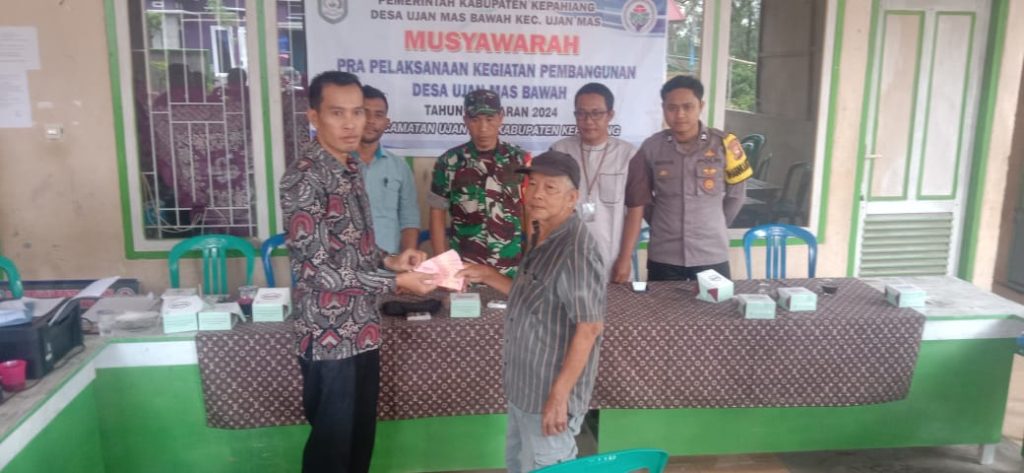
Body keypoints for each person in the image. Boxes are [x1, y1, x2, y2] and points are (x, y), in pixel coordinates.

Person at [278, 71, 437, 473]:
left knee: (359, 441)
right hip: (328, 336)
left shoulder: (350, 167)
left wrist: (392, 260)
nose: (351, 123)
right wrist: (395, 281)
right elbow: (317, 270)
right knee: (332, 449)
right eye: (338, 113)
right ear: (314, 116)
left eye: (358, 112)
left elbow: (356, 248)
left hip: (363, 328)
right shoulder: (304, 177)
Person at [457, 151, 606, 472]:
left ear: (572, 198)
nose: (536, 194)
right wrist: (488, 275)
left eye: (550, 188)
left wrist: (559, 397)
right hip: (526, 387)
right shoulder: (542, 232)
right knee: (519, 464)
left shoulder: (575, 250)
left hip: (548, 396)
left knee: (547, 465)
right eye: (533, 184)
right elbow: (533, 296)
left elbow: (590, 327)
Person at [617, 75, 752, 282]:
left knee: (714, 305)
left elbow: (736, 196)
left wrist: (712, 223)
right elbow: (643, 199)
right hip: (664, 255)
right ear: (663, 109)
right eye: (672, 108)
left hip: (711, 253)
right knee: (661, 305)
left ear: (701, 106)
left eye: (688, 107)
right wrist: (663, 223)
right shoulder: (651, 147)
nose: (680, 114)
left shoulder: (725, 144)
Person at [427, 89, 530, 275]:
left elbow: (531, 213)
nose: (483, 128)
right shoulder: (448, 162)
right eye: (475, 120)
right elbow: (437, 213)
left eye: (490, 119)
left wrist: (532, 260)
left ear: (501, 117)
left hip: (510, 269)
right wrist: (444, 267)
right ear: (465, 120)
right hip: (465, 269)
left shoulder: (520, 160)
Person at [550, 82, 636, 275]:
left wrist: (625, 258)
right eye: (581, 114)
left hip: (611, 257)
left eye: (596, 113)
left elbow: (635, 210)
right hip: (567, 257)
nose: (588, 121)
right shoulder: (559, 151)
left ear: (610, 115)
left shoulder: (628, 155)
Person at [354, 85, 421, 254]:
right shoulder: (336, 165)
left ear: (386, 123)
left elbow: (409, 219)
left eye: (378, 115)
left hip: (389, 262)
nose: (371, 120)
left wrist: (407, 257)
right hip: (347, 263)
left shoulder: (399, 167)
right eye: (364, 113)